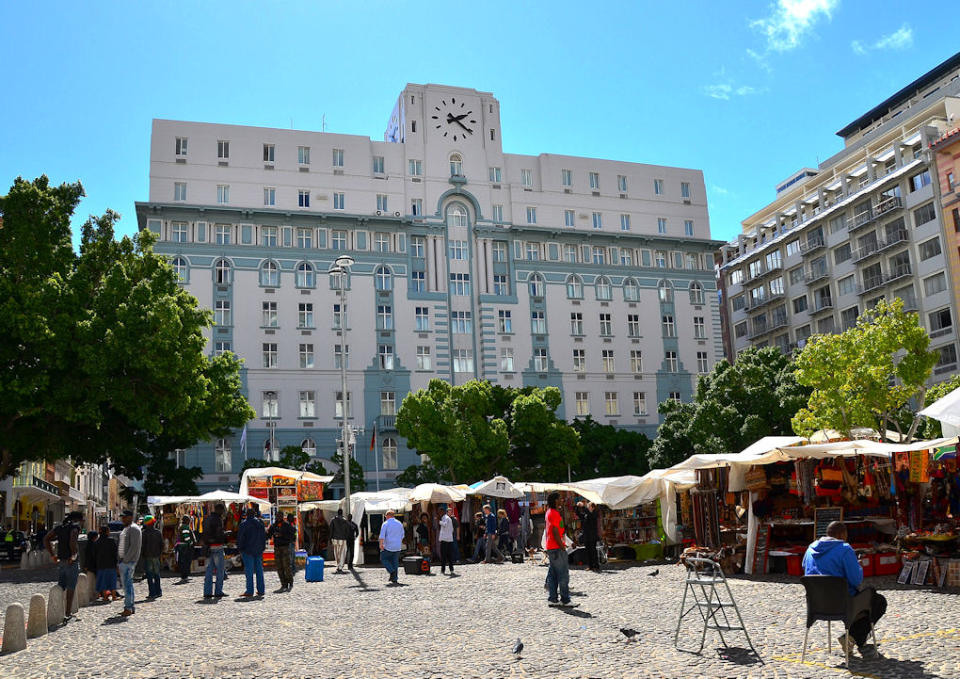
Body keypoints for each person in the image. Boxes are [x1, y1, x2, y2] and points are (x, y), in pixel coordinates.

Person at [803, 521, 885, 659]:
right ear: (842, 534)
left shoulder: (810, 548)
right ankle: (852, 637)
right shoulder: (844, 549)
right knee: (877, 601)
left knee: (866, 600)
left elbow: (805, 567)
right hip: (842, 602)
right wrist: (858, 566)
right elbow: (856, 580)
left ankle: (855, 638)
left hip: (817, 603)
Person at [45, 510, 82, 620]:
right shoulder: (74, 527)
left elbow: (46, 539)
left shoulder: (60, 527)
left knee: (61, 585)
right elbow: (72, 542)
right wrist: (73, 556)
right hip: (71, 561)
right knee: (71, 586)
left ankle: (56, 610)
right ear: (77, 520)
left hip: (61, 560)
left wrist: (53, 555)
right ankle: (67, 612)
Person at [544, 492, 573, 607]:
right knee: (563, 575)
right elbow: (555, 532)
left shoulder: (549, 512)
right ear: (556, 500)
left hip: (552, 547)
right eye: (560, 498)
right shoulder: (554, 513)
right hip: (556, 548)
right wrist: (562, 547)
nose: (562, 500)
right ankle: (565, 599)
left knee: (553, 575)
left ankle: (553, 598)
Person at [237, 507, 266, 598]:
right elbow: (264, 536)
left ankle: (250, 591)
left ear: (246, 514)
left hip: (247, 550)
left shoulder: (244, 524)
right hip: (258, 549)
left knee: (249, 571)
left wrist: (240, 548)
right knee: (259, 570)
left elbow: (241, 537)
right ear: (255, 514)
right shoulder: (260, 523)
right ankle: (261, 590)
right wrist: (262, 547)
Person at [117, 509, 142, 616]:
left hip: (128, 562)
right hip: (124, 561)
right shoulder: (126, 529)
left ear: (130, 517)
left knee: (127, 586)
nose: (123, 519)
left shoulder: (134, 529)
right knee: (127, 585)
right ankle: (130, 606)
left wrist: (125, 560)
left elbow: (134, 547)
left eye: (125, 517)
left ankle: (128, 607)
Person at [202, 503, 228, 599]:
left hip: (208, 547)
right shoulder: (218, 520)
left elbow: (204, 533)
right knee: (220, 571)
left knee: (209, 571)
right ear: (220, 510)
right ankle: (218, 591)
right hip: (217, 546)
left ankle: (207, 592)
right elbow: (219, 534)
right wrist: (225, 534)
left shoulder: (207, 519)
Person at [267, 512, 296, 592]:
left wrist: (282, 535)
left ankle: (290, 582)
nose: (278, 517)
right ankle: (283, 584)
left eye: (280, 516)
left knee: (286, 566)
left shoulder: (286, 525)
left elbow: (292, 534)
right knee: (279, 567)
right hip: (277, 548)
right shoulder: (274, 525)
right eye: (277, 516)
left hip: (285, 547)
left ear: (282, 517)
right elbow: (269, 534)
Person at [379, 509, 405, 585]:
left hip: (388, 545)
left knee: (383, 559)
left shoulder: (385, 524)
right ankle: (395, 578)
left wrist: (381, 545)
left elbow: (382, 536)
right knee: (395, 562)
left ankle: (391, 571)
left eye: (385, 516)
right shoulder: (399, 523)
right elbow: (402, 535)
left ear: (387, 515)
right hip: (397, 546)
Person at [93, 524, 118, 601]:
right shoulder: (111, 541)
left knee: (103, 582)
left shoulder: (97, 542)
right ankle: (114, 596)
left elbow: (94, 554)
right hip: (111, 564)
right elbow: (115, 553)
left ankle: (105, 597)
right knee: (112, 581)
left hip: (101, 565)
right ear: (107, 532)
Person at [141, 515, 163, 599]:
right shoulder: (158, 532)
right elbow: (161, 544)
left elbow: (142, 546)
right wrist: (159, 554)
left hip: (147, 557)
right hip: (156, 556)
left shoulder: (144, 533)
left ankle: (152, 593)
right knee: (157, 575)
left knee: (149, 576)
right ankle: (158, 591)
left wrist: (143, 555)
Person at [575, 501, 601, 572]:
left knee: (593, 551)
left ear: (592, 507)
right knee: (588, 552)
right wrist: (578, 507)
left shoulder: (594, 514)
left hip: (592, 536)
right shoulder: (586, 514)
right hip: (586, 536)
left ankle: (596, 566)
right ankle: (590, 566)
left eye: (589, 506)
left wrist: (583, 507)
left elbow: (590, 515)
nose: (587, 507)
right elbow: (578, 514)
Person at [176, 516, 196, 581]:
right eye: (189, 520)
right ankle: (184, 576)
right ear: (187, 520)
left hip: (182, 547)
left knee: (184, 562)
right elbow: (186, 536)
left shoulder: (182, 526)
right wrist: (191, 543)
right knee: (186, 562)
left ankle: (185, 576)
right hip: (185, 547)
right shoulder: (185, 527)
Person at [438, 507, 456, 575]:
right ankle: (451, 569)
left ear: (442, 512)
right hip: (449, 539)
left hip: (445, 540)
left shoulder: (445, 518)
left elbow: (444, 524)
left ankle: (443, 570)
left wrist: (439, 522)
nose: (439, 514)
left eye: (440, 512)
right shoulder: (448, 518)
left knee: (443, 555)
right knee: (449, 555)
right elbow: (452, 530)